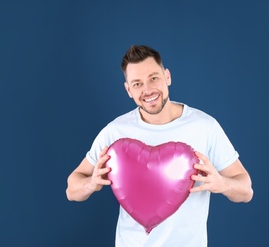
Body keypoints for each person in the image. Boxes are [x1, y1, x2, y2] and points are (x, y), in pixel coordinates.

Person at [66, 45, 253, 246]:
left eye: (153, 78)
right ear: (128, 90)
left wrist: (222, 184)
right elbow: (71, 189)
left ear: (167, 77)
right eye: (137, 84)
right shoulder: (115, 132)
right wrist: (90, 184)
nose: (147, 90)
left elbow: (246, 190)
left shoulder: (205, 126)